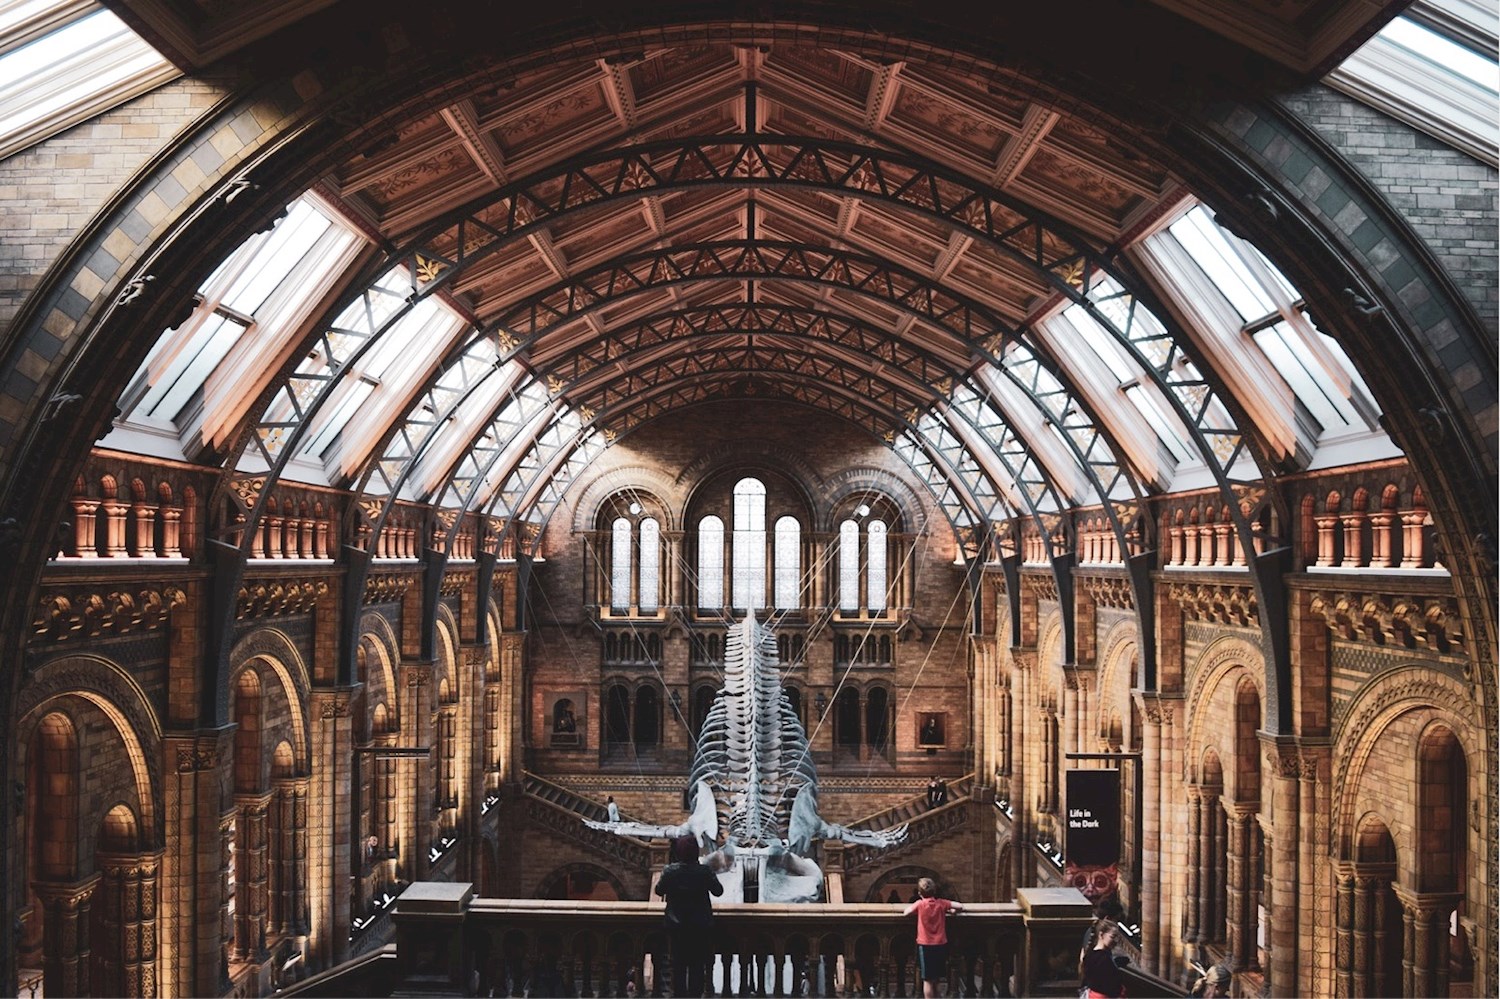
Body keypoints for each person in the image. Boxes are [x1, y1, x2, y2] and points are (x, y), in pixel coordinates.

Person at [655, 834, 723, 998]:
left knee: (677, 965)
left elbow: (658, 890)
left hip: (677, 926)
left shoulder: (670, 871)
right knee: (697, 966)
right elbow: (718, 891)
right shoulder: (704, 871)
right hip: (700, 926)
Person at [902, 876, 963, 999]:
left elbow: (906, 912)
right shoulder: (941, 903)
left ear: (919, 893)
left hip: (925, 946)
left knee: (928, 980)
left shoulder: (920, 904)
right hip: (940, 944)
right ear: (934, 891)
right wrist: (951, 911)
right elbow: (959, 906)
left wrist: (915, 907)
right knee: (937, 979)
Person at [1080, 918, 1127, 998]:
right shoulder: (1102, 959)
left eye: (1117, 937)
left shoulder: (1092, 953)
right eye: (1112, 937)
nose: (1116, 941)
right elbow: (1107, 985)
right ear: (1101, 935)